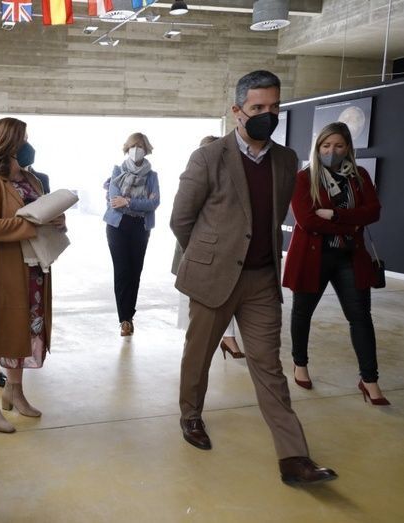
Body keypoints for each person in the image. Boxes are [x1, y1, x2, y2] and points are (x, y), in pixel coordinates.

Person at [171, 70, 337, 485]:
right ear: (237, 111)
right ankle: (190, 415)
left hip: (262, 279)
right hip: (214, 278)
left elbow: (274, 215)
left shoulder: (286, 159)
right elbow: (181, 219)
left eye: (274, 107)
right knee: (199, 355)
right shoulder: (208, 158)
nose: (268, 114)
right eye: (258, 107)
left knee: (268, 366)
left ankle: (294, 457)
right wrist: (211, 257)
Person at [282, 122, 387, 404]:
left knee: (360, 317)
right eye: (326, 146)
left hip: (350, 257)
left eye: (338, 146)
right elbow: (307, 220)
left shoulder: (359, 176)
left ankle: (369, 380)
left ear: (348, 147)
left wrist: (336, 216)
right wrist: (351, 225)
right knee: (302, 313)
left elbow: (373, 212)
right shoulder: (304, 178)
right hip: (313, 257)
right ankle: (300, 364)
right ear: (317, 148)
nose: (332, 151)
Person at [0, 117, 64, 433]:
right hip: (3, 271)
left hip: (34, 268)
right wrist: (33, 225)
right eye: (22, 138)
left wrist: (57, 220)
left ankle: (14, 391)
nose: (27, 144)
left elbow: (42, 213)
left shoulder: (31, 179)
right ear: (7, 142)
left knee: (24, 331)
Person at [173, 135, 244, 358]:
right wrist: (196, 248)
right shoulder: (195, 174)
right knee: (197, 302)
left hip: (226, 251)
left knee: (224, 294)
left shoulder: (232, 178)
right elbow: (181, 219)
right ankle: (198, 342)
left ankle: (228, 338)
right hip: (196, 249)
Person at [103, 133, 160, 337]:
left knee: (135, 271)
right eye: (133, 146)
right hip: (117, 227)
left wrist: (127, 201)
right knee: (122, 271)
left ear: (147, 149)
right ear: (127, 148)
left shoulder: (152, 176)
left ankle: (130, 314)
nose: (136, 150)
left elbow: (154, 203)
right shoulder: (117, 171)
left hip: (140, 227)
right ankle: (124, 320)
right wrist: (140, 202)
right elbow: (114, 201)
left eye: (140, 146)